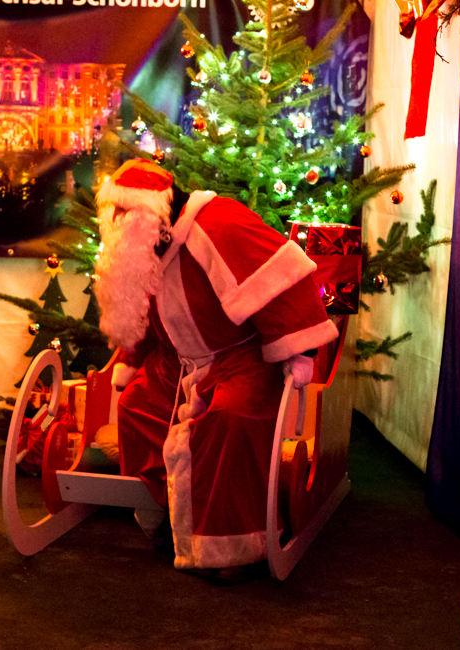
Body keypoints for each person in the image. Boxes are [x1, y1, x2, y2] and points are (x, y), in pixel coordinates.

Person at [92, 159, 337, 582]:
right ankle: (176, 520)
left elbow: (283, 279)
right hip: (178, 363)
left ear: (152, 213)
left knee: (230, 418)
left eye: (124, 215)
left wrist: (300, 352)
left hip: (241, 359)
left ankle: (236, 546)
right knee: (136, 406)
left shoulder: (219, 222)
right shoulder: (142, 248)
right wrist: (132, 359)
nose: (117, 225)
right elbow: (137, 310)